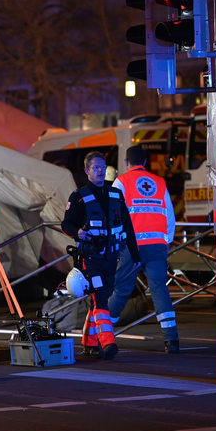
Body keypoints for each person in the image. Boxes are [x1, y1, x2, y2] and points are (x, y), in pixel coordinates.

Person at [61, 151, 140, 359]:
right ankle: (108, 343)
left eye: (103, 167)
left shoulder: (115, 194)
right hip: (90, 258)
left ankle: (89, 343)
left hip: (111, 258)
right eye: (96, 167)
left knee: (98, 300)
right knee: (101, 299)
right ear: (87, 171)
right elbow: (66, 224)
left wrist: (135, 253)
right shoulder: (78, 196)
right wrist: (77, 232)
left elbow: (128, 226)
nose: (100, 171)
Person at [108, 145, 180, 353]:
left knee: (122, 290)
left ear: (126, 163)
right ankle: (171, 339)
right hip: (157, 245)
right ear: (146, 162)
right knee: (159, 288)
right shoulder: (159, 182)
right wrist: (166, 242)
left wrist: (116, 243)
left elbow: (115, 215)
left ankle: (102, 333)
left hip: (132, 246)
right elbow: (170, 217)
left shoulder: (121, 181)